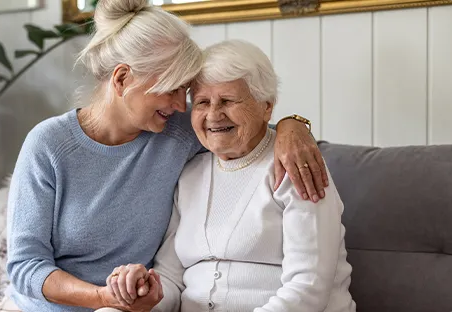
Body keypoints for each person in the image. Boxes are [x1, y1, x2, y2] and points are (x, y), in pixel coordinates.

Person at [2, 0, 329, 311]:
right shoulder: (48, 145)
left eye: (184, 92)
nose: (179, 105)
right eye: (171, 89)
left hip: (132, 307)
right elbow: (25, 265)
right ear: (122, 79)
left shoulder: (174, 130)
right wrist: (103, 298)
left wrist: (294, 126)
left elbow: (252, 127)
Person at [107, 40, 356, 312]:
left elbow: (307, 288)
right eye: (202, 102)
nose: (213, 115)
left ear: (266, 107)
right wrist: (145, 294)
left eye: (228, 100)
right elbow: (171, 277)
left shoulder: (294, 165)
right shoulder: (190, 173)